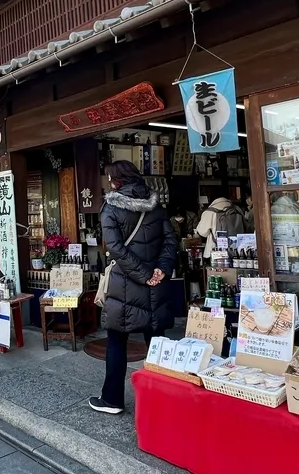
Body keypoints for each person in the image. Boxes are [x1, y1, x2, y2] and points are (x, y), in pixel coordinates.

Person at [91, 160, 177, 415]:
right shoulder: (156, 205)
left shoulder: (110, 207)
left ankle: (112, 400)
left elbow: (116, 248)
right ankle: (163, 397)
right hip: (156, 284)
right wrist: (160, 270)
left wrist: (143, 274)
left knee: (117, 339)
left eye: (109, 177)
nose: (108, 182)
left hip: (125, 284)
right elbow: (171, 241)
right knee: (157, 340)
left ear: (117, 180)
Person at [196, 196, 247, 260]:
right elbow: (246, 226)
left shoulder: (209, 212)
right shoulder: (237, 209)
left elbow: (202, 232)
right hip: (238, 250)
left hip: (216, 252)